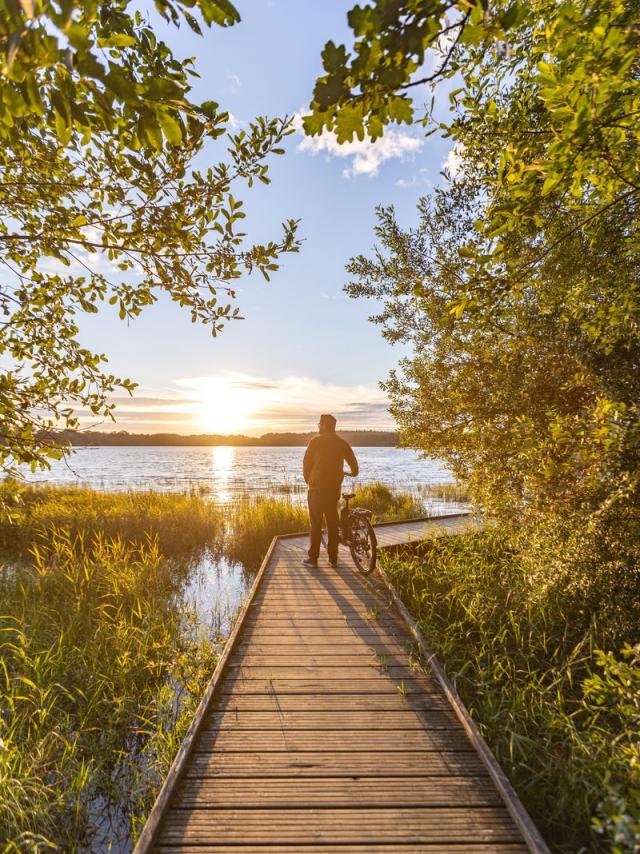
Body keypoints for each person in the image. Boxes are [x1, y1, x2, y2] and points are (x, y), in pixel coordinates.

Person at [302, 414, 359, 568]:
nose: (318, 426)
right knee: (333, 524)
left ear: (325, 425)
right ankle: (333, 559)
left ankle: (313, 559)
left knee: (316, 524)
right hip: (334, 490)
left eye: (319, 424)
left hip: (316, 490)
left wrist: (310, 481)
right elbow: (354, 466)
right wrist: (352, 473)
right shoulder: (342, 443)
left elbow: (306, 465)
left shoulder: (315, 442)